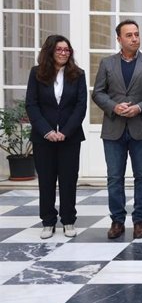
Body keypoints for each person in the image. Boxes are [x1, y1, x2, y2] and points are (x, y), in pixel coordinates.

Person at [92, 19, 142, 240]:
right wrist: (114, 106)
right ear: (119, 39)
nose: (134, 38)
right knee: (114, 177)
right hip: (113, 128)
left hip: (141, 128)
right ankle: (117, 221)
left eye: (136, 34)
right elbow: (97, 93)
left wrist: (139, 108)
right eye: (129, 35)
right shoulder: (107, 63)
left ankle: (139, 221)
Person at [25, 35, 87, 239]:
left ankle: (68, 220)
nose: (63, 53)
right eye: (59, 49)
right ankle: (48, 221)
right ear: (50, 52)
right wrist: (47, 131)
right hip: (44, 138)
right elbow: (31, 105)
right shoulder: (36, 74)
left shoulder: (78, 74)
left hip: (70, 137)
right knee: (46, 180)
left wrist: (65, 132)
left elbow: (80, 106)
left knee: (69, 180)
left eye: (67, 50)